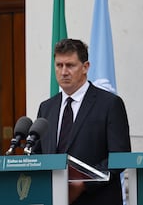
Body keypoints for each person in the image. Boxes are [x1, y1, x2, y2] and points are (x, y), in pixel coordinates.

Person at [34, 38, 131, 205]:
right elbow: (38, 154)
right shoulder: (46, 108)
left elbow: (119, 157)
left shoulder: (109, 104)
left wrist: (84, 184)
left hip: (96, 199)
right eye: (59, 65)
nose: (63, 72)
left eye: (70, 65)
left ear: (85, 67)